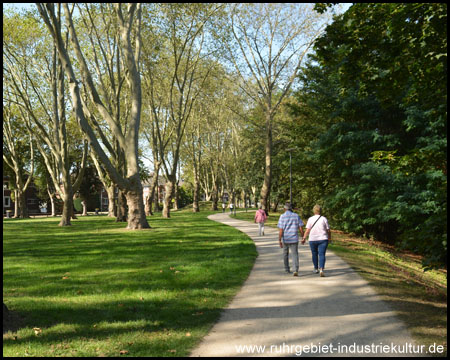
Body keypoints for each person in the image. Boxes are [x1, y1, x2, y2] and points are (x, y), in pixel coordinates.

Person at [302, 205, 331, 277]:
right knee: (322, 254)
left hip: (313, 239)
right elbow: (328, 230)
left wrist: (304, 238)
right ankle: (321, 269)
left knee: (314, 254)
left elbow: (307, 230)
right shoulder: (324, 219)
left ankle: (315, 268)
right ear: (320, 211)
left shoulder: (310, 219)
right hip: (323, 239)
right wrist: (329, 238)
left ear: (314, 211)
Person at [277, 203, 304, 277]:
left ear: (284, 209)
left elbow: (281, 230)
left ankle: (287, 269)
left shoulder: (282, 216)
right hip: (294, 238)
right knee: (295, 254)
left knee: (285, 254)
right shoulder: (296, 216)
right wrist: (303, 237)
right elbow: (300, 228)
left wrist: (279, 240)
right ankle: (295, 270)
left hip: (286, 239)